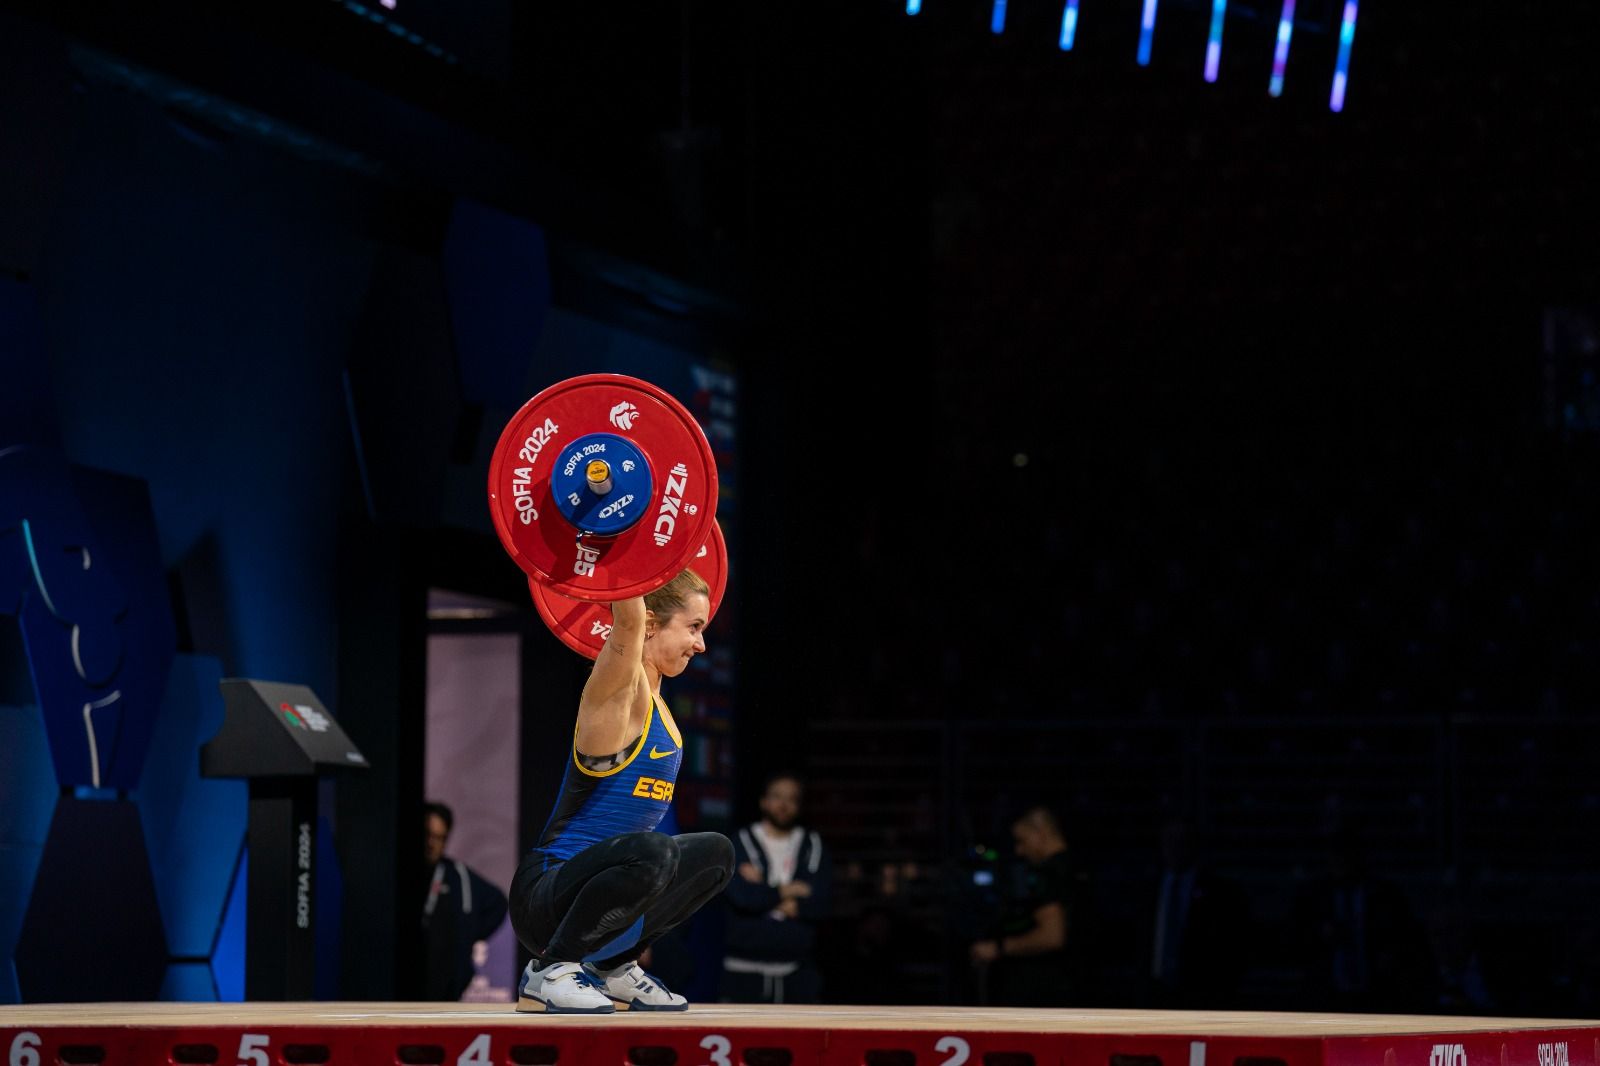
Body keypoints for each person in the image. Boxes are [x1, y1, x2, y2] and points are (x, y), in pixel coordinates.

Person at [508, 569, 735, 1013]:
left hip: (603, 904)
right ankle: (549, 971)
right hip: (545, 898)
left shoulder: (661, 709)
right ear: (650, 624)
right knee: (656, 850)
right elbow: (627, 620)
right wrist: (623, 546)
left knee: (716, 855)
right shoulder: (618, 694)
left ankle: (612, 968)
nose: (701, 644)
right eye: (693, 627)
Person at [720, 771, 833, 1003]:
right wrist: (789, 891)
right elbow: (743, 897)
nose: (784, 805)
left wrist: (764, 890)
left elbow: (821, 903)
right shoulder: (740, 841)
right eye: (777, 796)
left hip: (797, 972)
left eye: (792, 799)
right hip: (743, 971)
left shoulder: (812, 845)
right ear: (763, 801)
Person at [968, 805, 1091, 1006]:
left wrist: (997, 948)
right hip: (1077, 989)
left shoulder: (1050, 874)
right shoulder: (1080, 867)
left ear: (1040, 833)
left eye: (1022, 840)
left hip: (1048, 993)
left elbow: (1052, 936)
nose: (1020, 850)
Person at [417, 801, 509, 1002]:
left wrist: (467, 935)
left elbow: (499, 904)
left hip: (444, 993)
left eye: (439, 838)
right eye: (428, 835)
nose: (431, 844)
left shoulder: (458, 878)